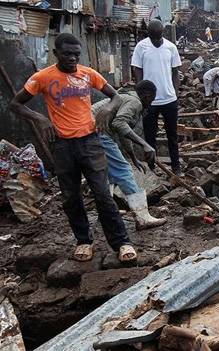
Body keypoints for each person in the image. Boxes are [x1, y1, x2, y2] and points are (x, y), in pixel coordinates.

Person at [9, 33, 137, 263]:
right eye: (67, 54)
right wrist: (41, 118)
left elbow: (116, 96)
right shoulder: (43, 77)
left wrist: (109, 108)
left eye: (76, 54)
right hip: (62, 145)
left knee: (102, 194)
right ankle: (84, 241)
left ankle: (122, 242)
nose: (72, 58)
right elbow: (16, 104)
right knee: (70, 196)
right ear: (56, 53)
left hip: (90, 141)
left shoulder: (88, 74)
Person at [92, 80, 167, 230]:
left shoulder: (126, 98)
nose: (151, 103)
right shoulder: (135, 102)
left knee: (109, 175)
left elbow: (123, 134)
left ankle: (106, 213)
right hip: (97, 132)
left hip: (89, 132)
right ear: (147, 95)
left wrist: (134, 158)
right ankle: (142, 217)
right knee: (123, 171)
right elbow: (119, 124)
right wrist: (145, 144)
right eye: (152, 99)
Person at [132, 19, 183, 175]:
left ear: (162, 33)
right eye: (153, 37)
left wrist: (175, 92)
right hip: (149, 102)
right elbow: (137, 70)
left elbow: (176, 72)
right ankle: (152, 168)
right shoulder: (141, 47)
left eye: (158, 36)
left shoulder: (171, 47)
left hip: (169, 99)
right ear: (148, 33)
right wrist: (141, 93)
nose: (155, 40)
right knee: (149, 136)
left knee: (172, 136)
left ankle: (176, 167)